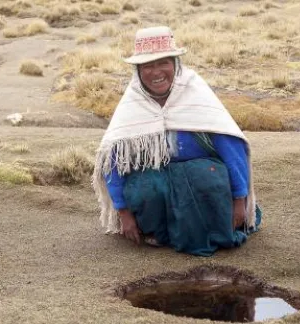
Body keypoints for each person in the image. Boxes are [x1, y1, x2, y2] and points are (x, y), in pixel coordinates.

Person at [92, 26, 262, 256]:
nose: (156, 72)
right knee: (145, 188)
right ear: (138, 71)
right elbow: (113, 161)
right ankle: (159, 233)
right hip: (157, 179)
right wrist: (123, 213)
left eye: (163, 63)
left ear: (175, 64)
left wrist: (240, 200)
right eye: (147, 66)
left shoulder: (195, 92)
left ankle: (215, 229)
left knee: (208, 177)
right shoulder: (133, 103)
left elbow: (231, 148)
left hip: (201, 175)